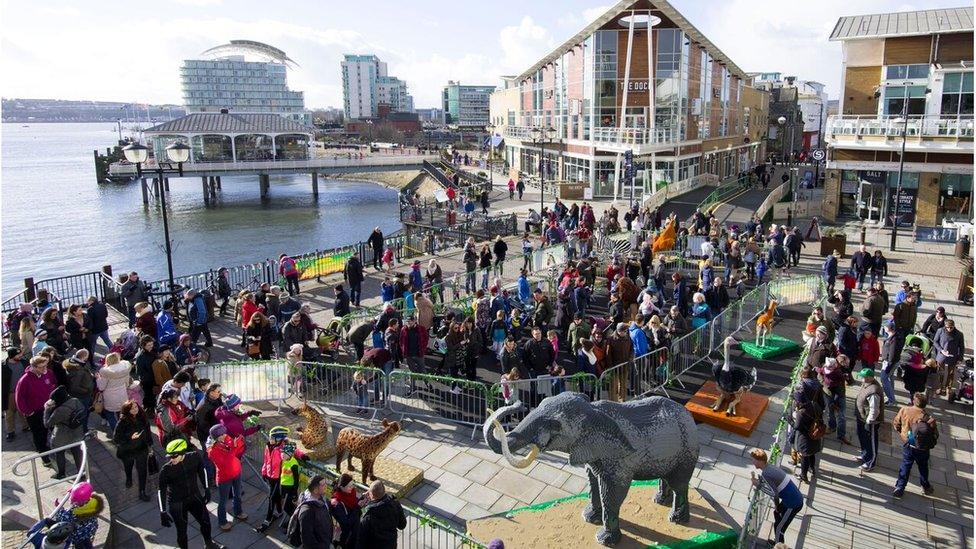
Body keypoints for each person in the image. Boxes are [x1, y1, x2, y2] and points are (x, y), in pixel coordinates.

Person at [158, 438, 223, 549]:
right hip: (177, 503)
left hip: (194, 496)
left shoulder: (194, 457)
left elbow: (202, 472)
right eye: (170, 457)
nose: (172, 459)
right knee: (182, 532)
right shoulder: (166, 470)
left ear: (183, 452)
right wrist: (163, 511)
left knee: (206, 522)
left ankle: (209, 544)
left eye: (174, 456)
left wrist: (206, 489)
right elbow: (161, 491)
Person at [750, 448, 803, 546]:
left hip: (793, 503)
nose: (752, 462)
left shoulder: (766, 473)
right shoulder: (769, 467)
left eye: (753, 460)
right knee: (777, 514)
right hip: (793, 498)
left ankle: (778, 546)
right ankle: (778, 540)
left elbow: (774, 494)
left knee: (779, 527)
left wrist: (758, 485)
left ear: (760, 461)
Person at [891, 393, 938, 498]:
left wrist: (903, 435)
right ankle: (925, 486)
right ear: (925, 405)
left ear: (913, 401)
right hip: (922, 448)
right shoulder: (928, 418)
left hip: (908, 444)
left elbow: (896, 424)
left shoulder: (904, 410)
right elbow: (935, 435)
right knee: (923, 466)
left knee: (906, 465)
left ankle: (900, 487)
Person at [15, 356, 57, 464]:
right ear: (33, 367)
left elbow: (53, 384)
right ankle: (44, 456)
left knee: (53, 430)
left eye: (46, 365)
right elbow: (19, 399)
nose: (45, 369)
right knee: (39, 435)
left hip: (49, 408)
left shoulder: (48, 373)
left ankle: (55, 449)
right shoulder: (24, 380)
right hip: (35, 413)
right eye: (41, 367)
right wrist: (29, 412)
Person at [206, 424, 247, 531]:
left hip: (236, 471)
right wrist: (234, 446)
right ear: (216, 437)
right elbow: (225, 461)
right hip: (225, 477)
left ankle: (238, 512)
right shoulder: (212, 450)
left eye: (224, 433)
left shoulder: (227, 438)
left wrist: (239, 443)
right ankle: (222, 521)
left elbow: (237, 451)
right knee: (223, 501)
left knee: (237, 494)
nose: (225, 436)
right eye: (222, 434)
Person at [112, 400, 153, 501]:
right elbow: (116, 439)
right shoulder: (122, 422)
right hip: (128, 450)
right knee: (128, 466)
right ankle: (129, 478)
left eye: (136, 407)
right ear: (127, 411)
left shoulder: (143, 417)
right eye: (132, 408)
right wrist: (130, 437)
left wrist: (150, 445)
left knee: (142, 470)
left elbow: (147, 432)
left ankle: (142, 492)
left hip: (141, 449)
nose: (135, 409)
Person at [44, 385, 86, 479]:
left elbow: (47, 424)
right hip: (77, 433)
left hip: (62, 436)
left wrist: (47, 410)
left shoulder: (60, 411)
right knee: (77, 452)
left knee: (59, 453)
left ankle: (61, 473)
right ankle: (81, 473)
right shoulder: (76, 401)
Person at [356, 481, 406, 549]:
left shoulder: (368, 516)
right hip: (391, 544)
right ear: (384, 491)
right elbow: (402, 525)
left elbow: (361, 540)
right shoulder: (395, 503)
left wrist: (361, 505)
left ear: (371, 495)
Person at [854, 368, 884, 471]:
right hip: (862, 417)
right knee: (862, 437)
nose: (861, 378)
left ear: (868, 378)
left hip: (870, 421)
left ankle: (871, 462)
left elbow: (874, 409)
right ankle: (865, 455)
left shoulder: (874, 391)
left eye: (862, 377)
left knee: (871, 440)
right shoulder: (866, 384)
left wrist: (869, 421)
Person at [292, 474, 333, 548]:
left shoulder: (321, 499)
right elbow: (307, 539)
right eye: (323, 485)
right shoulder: (307, 511)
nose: (326, 486)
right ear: (315, 490)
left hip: (325, 541)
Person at [933, 319, 965, 396]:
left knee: (951, 373)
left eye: (951, 327)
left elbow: (962, 347)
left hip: (953, 356)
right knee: (941, 372)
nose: (949, 329)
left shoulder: (959, 334)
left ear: (954, 326)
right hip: (942, 355)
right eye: (948, 327)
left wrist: (960, 358)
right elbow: (935, 342)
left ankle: (948, 387)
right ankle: (940, 387)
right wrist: (941, 350)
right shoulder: (940, 331)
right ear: (945, 326)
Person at [3, 348, 28, 441]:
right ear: (12, 356)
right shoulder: (3, 367)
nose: (20, 356)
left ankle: (25, 426)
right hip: (10, 394)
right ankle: (10, 432)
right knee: (9, 413)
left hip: (23, 392)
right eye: (18, 355)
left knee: (22, 410)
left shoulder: (24, 362)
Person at [330, 473, 362, 547]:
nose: (352, 487)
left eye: (353, 484)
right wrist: (357, 507)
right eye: (349, 486)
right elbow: (346, 524)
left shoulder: (351, 493)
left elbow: (354, 507)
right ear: (341, 487)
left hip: (354, 534)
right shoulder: (336, 503)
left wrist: (362, 500)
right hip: (344, 539)